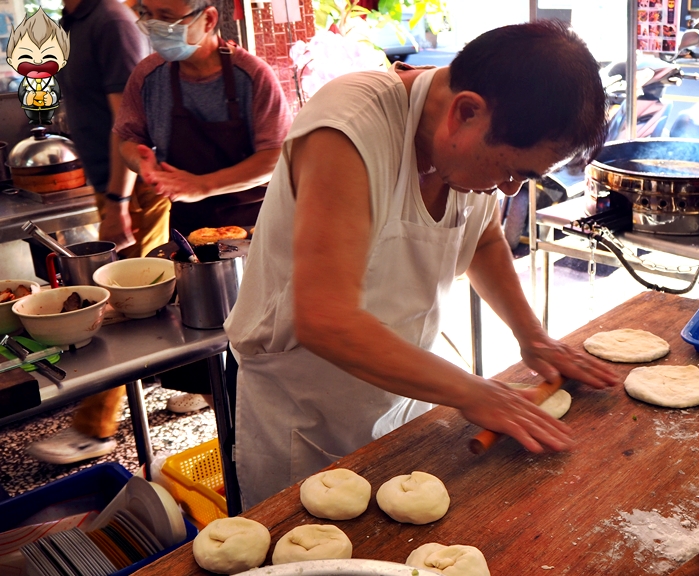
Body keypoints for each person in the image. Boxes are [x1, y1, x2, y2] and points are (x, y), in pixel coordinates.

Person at [225, 20, 620, 508]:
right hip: (304, 408)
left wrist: (531, 336)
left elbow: (482, 241)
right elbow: (325, 321)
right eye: (512, 171)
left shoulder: (471, 140)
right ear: (465, 112)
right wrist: (476, 392)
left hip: (404, 388)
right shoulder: (348, 131)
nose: (509, 190)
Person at [114, 0, 289, 413]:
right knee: (201, 331)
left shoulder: (251, 77)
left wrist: (203, 184)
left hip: (254, 223)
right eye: (147, 14)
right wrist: (142, 162)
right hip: (189, 225)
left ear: (208, 18)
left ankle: (255, 410)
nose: (155, 26)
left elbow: (275, 157)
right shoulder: (149, 76)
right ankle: (218, 405)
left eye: (168, 18)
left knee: (262, 340)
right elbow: (126, 136)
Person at [26, 0, 162, 465]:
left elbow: (131, 126)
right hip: (113, 186)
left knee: (125, 306)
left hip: (138, 186)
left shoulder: (111, 21)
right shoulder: (76, 20)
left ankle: (94, 429)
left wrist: (119, 200)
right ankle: (200, 386)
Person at [6, 10, 69, 125]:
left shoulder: (55, 82)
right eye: (27, 56)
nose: (38, 61)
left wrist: (51, 98)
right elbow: (22, 93)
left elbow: (56, 93)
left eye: (48, 56)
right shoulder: (24, 83)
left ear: (63, 61)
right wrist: (28, 98)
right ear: (11, 61)